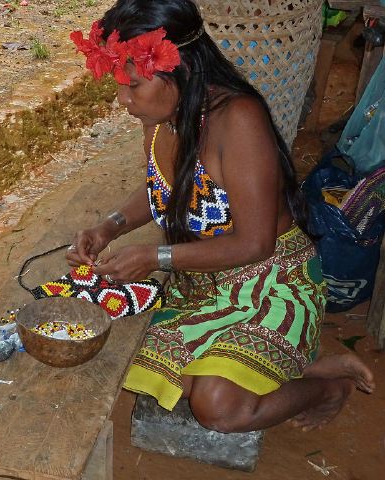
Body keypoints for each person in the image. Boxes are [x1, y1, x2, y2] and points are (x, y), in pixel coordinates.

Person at [66, 0, 374, 433]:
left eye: (133, 85)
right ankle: (301, 365)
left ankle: (328, 389)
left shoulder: (238, 120)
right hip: (202, 284)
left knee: (217, 406)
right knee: (108, 348)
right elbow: (163, 182)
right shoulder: (161, 113)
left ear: (181, 70)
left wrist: (157, 258)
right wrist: (110, 225)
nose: (123, 99)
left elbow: (255, 244)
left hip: (270, 282)